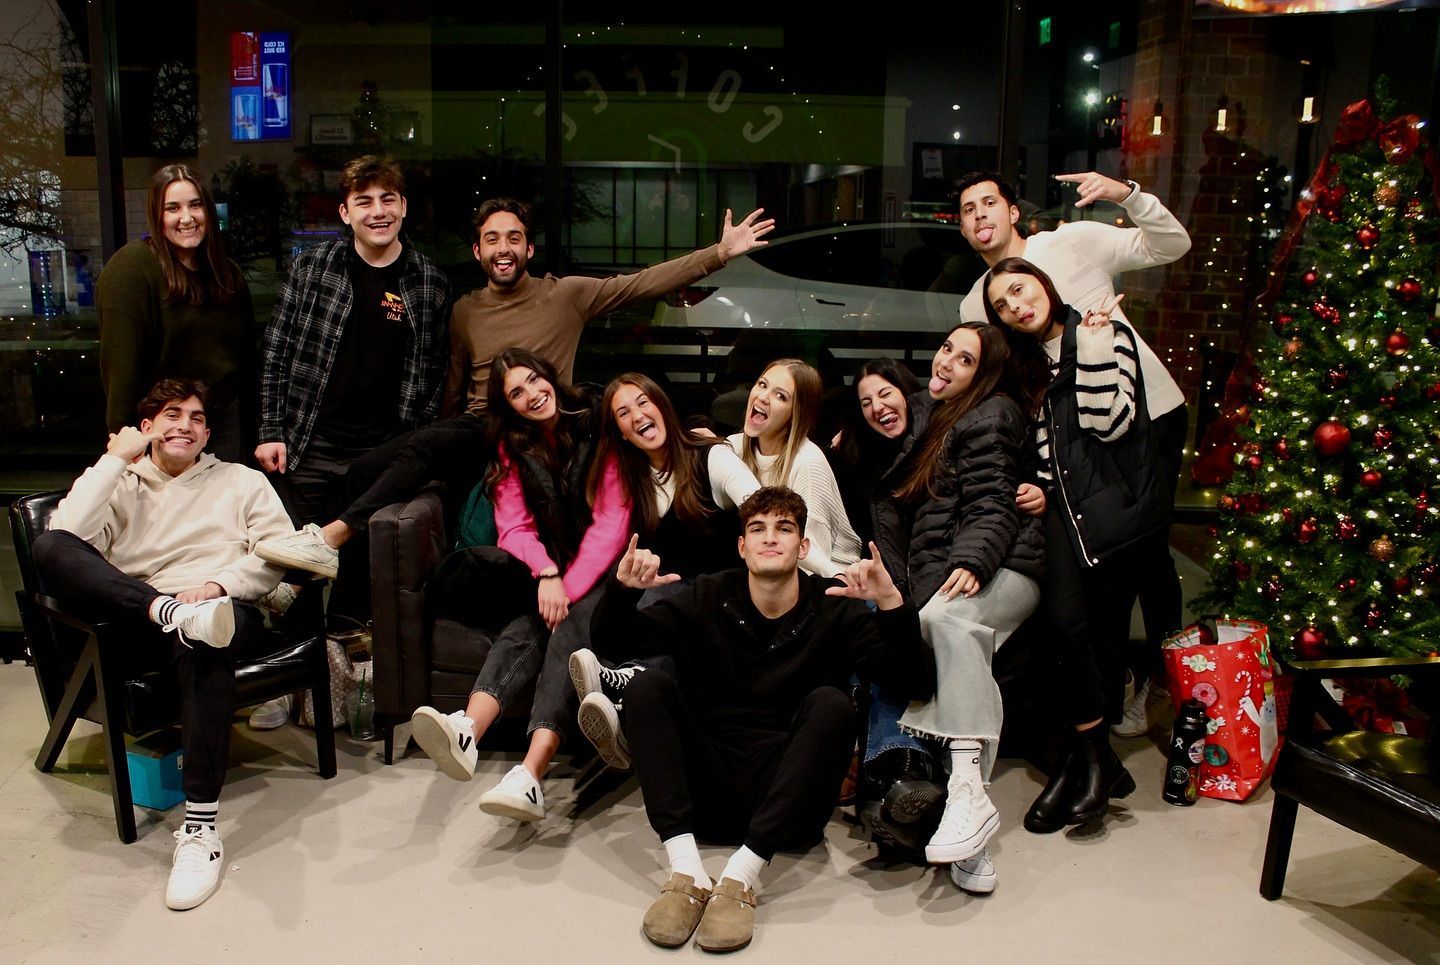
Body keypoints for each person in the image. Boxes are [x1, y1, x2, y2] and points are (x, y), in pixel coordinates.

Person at [252, 196, 774, 580]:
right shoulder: (464, 311)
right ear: (478, 251)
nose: (504, 248)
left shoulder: (566, 295)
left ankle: (331, 539)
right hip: (477, 426)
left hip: (536, 432)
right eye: (493, 240)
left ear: (528, 247)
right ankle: (314, 576)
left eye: (514, 238)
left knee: (426, 448)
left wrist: (719, 253)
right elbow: (453, 389)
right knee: (369, 468)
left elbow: (640, 284)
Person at [590, 487, 935, 952]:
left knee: (833, 704)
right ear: (742, 546)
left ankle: (741, 877)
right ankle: (686, 871)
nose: (770, 538)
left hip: (787, 808)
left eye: (784, 528)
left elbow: (910, 682)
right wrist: (622, 592)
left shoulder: (835, 609)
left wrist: (891, 602)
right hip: (705, 797)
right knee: (646, 685)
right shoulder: (707, 594)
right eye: (757, 529)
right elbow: (614, 645)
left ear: (804, 546)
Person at [30, 378, 293, 910]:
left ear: (207, 433)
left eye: (197, 418)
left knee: (207, 635)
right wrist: (114, 461)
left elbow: (280, 553)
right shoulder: (120, 483)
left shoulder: (241, 481)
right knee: (49, 544)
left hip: (223, 605)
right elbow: (69, 538)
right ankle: (167, 610)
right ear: (145, 428)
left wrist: (217, 587)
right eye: (171, 415)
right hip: (146, 614)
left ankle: (200, 831)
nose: (186, 426)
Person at [956, 169, 1190, 735]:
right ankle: (1115, 685)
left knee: (1148, 554)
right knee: (1099, 567)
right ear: (962, 229)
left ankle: (1167, 680)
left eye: (990, 202)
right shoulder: (975, 307)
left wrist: (1126, 195)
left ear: (1013, 211)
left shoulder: (1070, 242)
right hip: (1073, 447)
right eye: (968, 209)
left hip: (1148, 415)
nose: (980, 215)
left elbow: (1170, 244)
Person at [983, 257, 1167, 833]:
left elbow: (1108, 422)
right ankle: (1091, 762)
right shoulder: (1027, 367)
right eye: (1003, 306)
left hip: (1113, 520)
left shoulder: (1105, 335)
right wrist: (1037, 487)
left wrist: (1091, 346)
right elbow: (1043, 451)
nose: (1016, 306)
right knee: (1062, 628)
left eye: (1019, 290)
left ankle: (1080, 767)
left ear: (1043, 283)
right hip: (1063, 520)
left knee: (1105, 640)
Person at [404, 349, 629, 821]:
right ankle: (466, 729)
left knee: (559, 624)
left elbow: (612, 520)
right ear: (508, 406)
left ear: (550, 376)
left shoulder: (595, 421)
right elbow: (514, 529)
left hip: (612, 571)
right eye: (517, 393)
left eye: (534, 381)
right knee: (529, 622)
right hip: (556, 573)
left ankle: (530, 772)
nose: (532, 396)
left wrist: (567, 586)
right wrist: (548, 574)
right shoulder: (512, 446)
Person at [875, 321, 1044, 889]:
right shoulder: (936, 413)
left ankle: (969, 791)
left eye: (964, 359)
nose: (946, 361)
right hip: (965, 566)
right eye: (946, 348)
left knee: (946, 619)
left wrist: (973, 561)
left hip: (1010, 566)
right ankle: (970, 842)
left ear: (985, 373)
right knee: (941, 632)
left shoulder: (990, 413)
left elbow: (994, 502)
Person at [252, 155, 449, 615]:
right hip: (310, 442)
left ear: (403, 206)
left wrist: (410, 449)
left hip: (380, 450)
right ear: (345, 213)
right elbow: (276, 351)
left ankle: (345, 670)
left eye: (387, 199)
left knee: (357, 572)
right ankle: (301, 675)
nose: (377, 211)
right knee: (297, 566)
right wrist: (270, 429)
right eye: (364, 202)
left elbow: (433, 377)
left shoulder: (430, 283)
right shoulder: (312, 269)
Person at [568, 372, 762, 769]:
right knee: (645, 603)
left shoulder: (711, 455)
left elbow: (759, 508)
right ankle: (622, 695)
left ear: (661, 405)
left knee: (679, 612)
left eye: (642, 402)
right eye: (623, 413)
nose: (637, 415)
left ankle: (619, 687)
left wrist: (820, 572)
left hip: (725, 595)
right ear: (621, 432)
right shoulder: (633, 482)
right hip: (671, 597)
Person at [97, 164, 254, 462]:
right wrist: (124, 446)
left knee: (222, 508)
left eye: (195, 205)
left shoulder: (226, 272)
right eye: (173, 208)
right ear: (157, 215)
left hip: (222, 426)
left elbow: (245, 362)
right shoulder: (131, 269)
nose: (187, 218)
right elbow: (120, 370)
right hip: (162, 429)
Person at [727, 359, 863, 578]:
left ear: (795, 414)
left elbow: (811, 557)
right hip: (769, 576)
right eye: (762, 385)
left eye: (780, 396)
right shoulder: (733, 448)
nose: (763, 397)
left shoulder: (808, 463)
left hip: (833, 581)